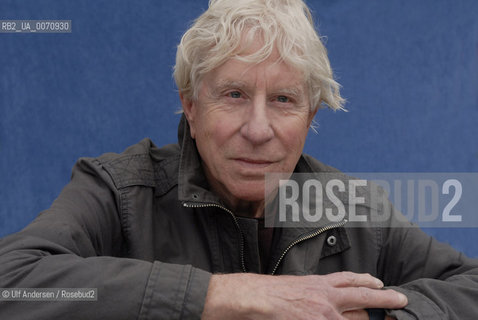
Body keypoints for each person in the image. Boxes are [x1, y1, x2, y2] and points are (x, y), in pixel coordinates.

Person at [1, 0, 477, 319]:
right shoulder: (121, 192)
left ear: (310, 115)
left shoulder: (354, 209)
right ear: (190, 104)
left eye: (284, 100)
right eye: (233, 94)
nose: (257, 128)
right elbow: (14, 282)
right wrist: (230, 295)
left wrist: (377, 315)